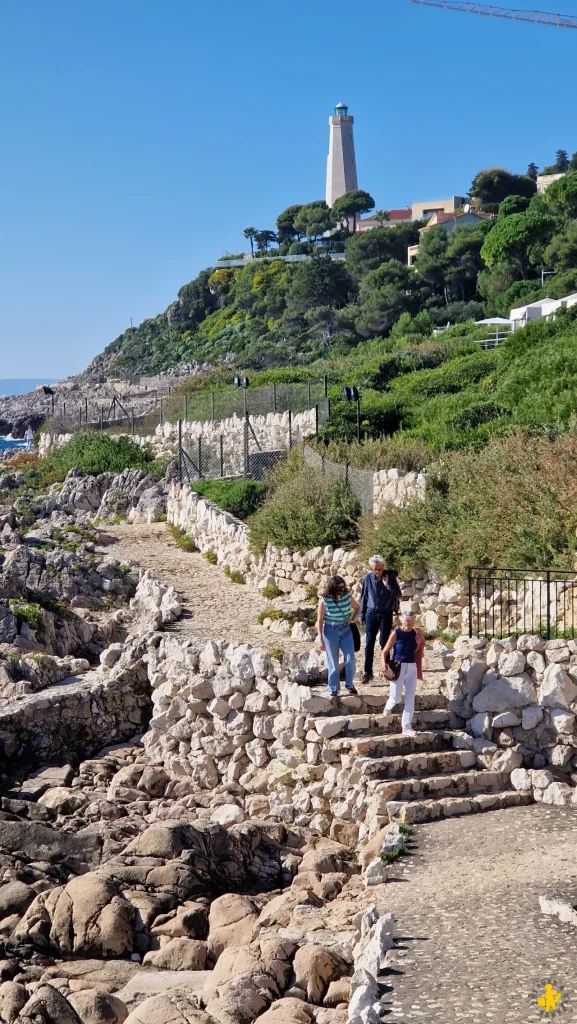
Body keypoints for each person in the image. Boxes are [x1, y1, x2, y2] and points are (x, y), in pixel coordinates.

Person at [381, 612, 425, 736]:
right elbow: (385, 651)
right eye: (408, 622)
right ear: (402, 621)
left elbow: (414, 650)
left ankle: (406, 727)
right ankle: (389, 706)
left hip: (411, 666)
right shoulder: (396, 633)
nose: (410, 625)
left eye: (412, 623)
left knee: (410, 698)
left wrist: (417, 643)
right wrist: (383, 664)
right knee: (396, 697)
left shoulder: (414, 633)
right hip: (398, 666)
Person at [316, 575, 361, 698]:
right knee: (333, 662)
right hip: (331, 631)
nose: (342, 589)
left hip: (345, 629)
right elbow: (319, 620)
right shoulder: (324, 600)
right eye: (339, 587)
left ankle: (349, 684)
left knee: (350, 659)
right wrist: (320, 638)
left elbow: (357, 608)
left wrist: (352, 619)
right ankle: (334, 687)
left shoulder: (347, 596)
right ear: (333, 588)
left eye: (343, 587)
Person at [360, 555, 401, 684]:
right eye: (374, 569)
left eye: (379, 569)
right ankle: (368, 672)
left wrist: (388, 586)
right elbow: (364, 596)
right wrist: (362, 614)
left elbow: (398, 594)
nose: (377, 571)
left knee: (385, 643)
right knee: (369, 644)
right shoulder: (368, 578)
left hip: (386, 614)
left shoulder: (390, 577)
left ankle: (387, 670)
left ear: (383, 567)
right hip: (371, 613)